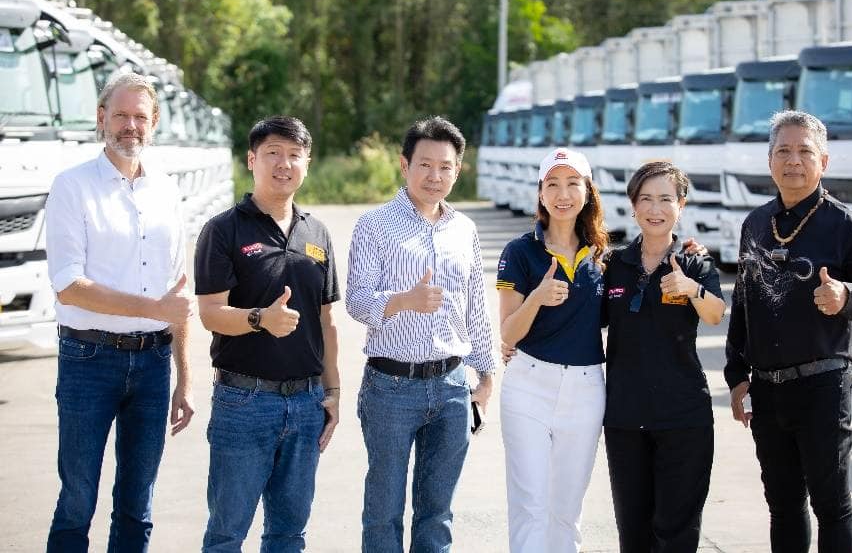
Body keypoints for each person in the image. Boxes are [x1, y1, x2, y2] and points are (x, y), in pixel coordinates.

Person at [725, 110, 852, 553]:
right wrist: (736, 374)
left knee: (831, 505)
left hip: (823, 386)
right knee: (782, 506)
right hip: (767, 390)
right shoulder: (755, 224)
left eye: (804, 151)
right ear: (770, 161)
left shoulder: (843, 224)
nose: (793, 160)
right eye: (783, 151)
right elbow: (743, 303)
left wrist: (846, 296)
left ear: (824, 161)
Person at [44, 72, 195, 551]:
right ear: (102, 118)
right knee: (77, 500)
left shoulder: (167, 190)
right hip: (88, 362)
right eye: (121, 115)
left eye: (140, 117)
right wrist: (154, 307)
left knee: (137, 504)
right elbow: (69, 286)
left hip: (153, 364)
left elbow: (178, 293)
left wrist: (185, 378)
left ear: (154, 123)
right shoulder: (72, 186)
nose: (131, 126)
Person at [346, 116, 497, 553]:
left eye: (445, 167)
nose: (435, 175)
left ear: (458, 170)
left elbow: (476, 305)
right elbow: (356, 300)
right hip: (390, 387)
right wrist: (403, 300)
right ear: (404, 164)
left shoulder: (464, 229)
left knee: (438, 512)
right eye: (425, 164)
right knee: (384, 509)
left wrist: (486, 375)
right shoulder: (374, 225)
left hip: (452, 387)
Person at [193, 116, 341, 552]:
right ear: (251, 160)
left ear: (307, 164)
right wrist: (261, 319)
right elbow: (210, 313)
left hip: (307, 402)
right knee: (227, 533)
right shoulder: (224, 229)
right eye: (273, 153)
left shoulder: (317, 232)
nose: (284, 164)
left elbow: (326, 321)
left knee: (288, 533)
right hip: (244, 402)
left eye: (295, 155)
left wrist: (332, 390)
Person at [602, 161, 726, 553]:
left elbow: (716, 313)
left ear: (681, 205)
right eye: (646, 199)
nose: (655, 209)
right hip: (625, 417)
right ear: (633, 205)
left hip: (683, 416)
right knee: (633, 531)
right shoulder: (613, 265)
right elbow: (586, 319)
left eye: (666, 200)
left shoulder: (695, 262)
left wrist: (691, 288)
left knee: (677, 531)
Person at [495, 147, 609, 553]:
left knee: (566, 510)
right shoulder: (519, 251)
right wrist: (537, 298)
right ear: (541, 193)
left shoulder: (603, 255)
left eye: (572, 183)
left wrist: (687, 253)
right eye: (553, 184)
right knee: (531, 506)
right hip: (528, 387)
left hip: (586, 389)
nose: (563, 194)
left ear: (587, 191)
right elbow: (509, 334)